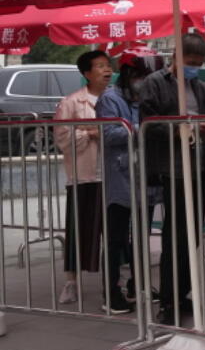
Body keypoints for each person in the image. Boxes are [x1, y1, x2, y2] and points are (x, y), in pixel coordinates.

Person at [141, 33, 205, 325]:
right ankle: (168, 300)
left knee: (193, 234)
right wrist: (179, 131)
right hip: (173, 167)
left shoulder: (200, 88)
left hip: (199, 165)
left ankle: (184, 293)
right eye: (190, 62)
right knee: (175, 235)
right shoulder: (155, 84)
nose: (194, 68)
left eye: (199, 63)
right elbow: (147, 123)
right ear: (175, 58)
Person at [96, 46, 163, 314]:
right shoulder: (110, 99)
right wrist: (142, 128)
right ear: (128, 73)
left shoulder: (146, 98)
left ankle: (140, 284)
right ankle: (111, 292)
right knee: (115, 238)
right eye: (142, 75)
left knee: (142, 236)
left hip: (146, 176)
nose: (146, 81)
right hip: (121, 179)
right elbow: (109, 134)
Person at [53, 50, 111, 305]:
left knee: (113, 230)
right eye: (100, 66)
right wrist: (91, 133)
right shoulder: (71, 103)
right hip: (83, 175)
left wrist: (94, 131)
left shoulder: (114, 99)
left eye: (108, 65)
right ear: (86, 73)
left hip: (112, 175)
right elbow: (63, 139)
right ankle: (71, 282)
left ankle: (117, 280)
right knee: (78, 230)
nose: (106, 70)